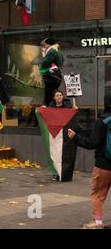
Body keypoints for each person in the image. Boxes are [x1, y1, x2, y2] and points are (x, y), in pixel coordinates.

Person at [67, 93, 111, 229]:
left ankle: (97, 223)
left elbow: (93, 142)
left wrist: (75, 138)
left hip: (103, 165)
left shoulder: (102, 120)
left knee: (98, 194)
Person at [43, 90, 79, 182]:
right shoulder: (50, 107)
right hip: (55, 135)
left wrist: (74, 110)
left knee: (66, 154)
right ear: (54, 98)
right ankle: (56, 173)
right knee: (55, 154)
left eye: (60, 95)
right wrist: (43, 110)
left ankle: (65, 175)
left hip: (65, 134)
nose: (59, 97)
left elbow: (73, 118)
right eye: (57, 95)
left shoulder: (68, 107)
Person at [39, 37, 64, 106]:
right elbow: (61, 63)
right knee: (53, 93)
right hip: (57, 76)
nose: (44, 46)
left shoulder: (51, 52)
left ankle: (48, 107)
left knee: (48, 93)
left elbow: (44, 63)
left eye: (45, 44)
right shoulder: (59, 52)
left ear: (48, 44)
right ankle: (52, 106)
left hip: (50, 77)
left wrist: (43, 55)